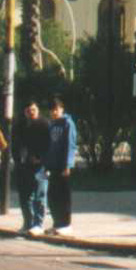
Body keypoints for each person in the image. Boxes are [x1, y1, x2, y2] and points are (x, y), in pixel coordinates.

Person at [12, 100, 50, 234]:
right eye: (28, 110)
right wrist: (17, 160)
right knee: (25, 196)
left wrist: (40, 158)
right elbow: (15, 144)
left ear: (38, 110)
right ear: (25, 112)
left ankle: (38, 224)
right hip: (24, 165)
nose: (31, 112)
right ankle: (28, 223)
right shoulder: (20, 125)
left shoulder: (44, 124)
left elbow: (49, 146)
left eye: (33, 109)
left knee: (40, 195)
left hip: (40, 165)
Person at [45, 97, 80, 235]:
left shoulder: (68, 123)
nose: (54, 112)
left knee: (63, 196)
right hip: (53, 165)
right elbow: (50, 146)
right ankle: (57, 223)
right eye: (52, 110)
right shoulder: (52, 124)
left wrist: (68, 165)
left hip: (62, 165)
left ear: (62, 109)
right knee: (52, 196)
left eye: (56, 109)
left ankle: (66, 224)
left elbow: (70, 145)